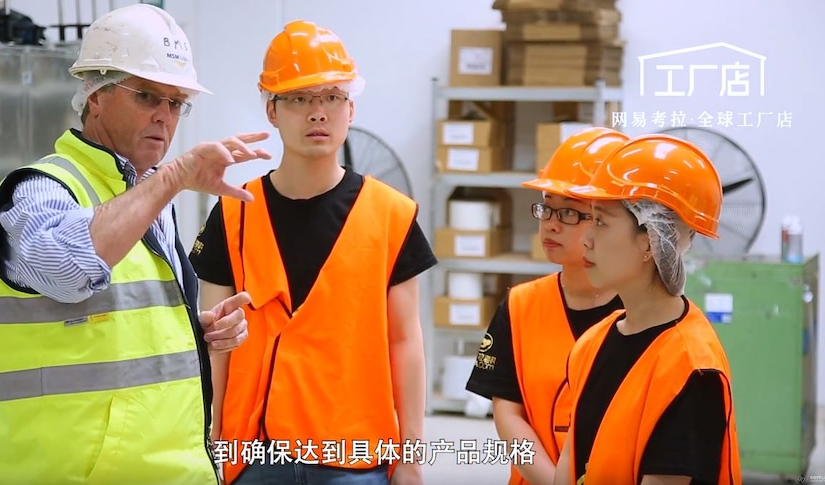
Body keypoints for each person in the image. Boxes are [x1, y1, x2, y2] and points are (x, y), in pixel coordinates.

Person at [0, 4, 272, 484]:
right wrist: (173, 178)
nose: (164, 116)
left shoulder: (147, 194)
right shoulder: (37, 188)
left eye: (176, 103)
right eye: (148, 96)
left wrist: (192, 329)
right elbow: (69, 270)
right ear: (96, 94)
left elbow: (108, 324)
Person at [188, 20, 437, 485]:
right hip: (255, 457)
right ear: (272, 111)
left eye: (330, 97)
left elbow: (405, 341)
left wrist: (411, 455)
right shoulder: (234, 214)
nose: (317, 113)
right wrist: (211, 446)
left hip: (357, 459)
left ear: (350, 109)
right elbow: (214, 345)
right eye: (299, 99)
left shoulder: (391, 214)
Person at [553, 134, 742, 485]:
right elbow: (571, 462)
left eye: (601, 222)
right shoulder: (592, 343)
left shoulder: (692, 369)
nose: (586, 239)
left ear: (650, 240)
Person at [465, 127, 627, 485]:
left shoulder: (642, 311)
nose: (551, 225)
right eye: (546, 209)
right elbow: (508, 413)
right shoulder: (520, 305)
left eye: (570, 213)